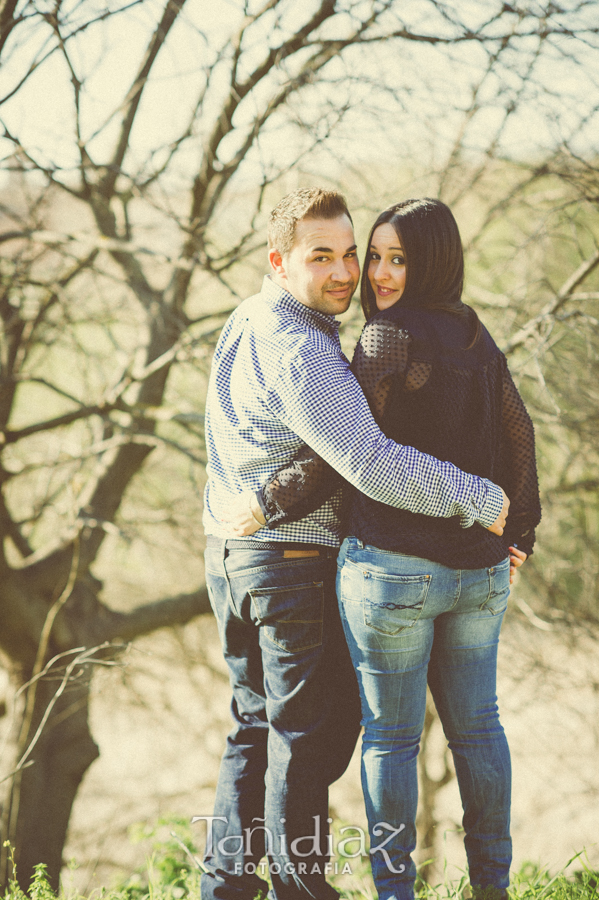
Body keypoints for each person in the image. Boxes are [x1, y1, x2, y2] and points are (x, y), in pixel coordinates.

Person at [201, 189, 510, 900]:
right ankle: (299, 886)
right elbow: (368, 460)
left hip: (231, 556)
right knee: (309, 737)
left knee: (256, 726)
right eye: (323, 258)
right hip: (290, 564)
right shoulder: (303, 349)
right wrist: (477, 496)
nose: (347, 273)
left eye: (351, 254)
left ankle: (225, 885)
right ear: (279, 261)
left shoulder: (249, 318)